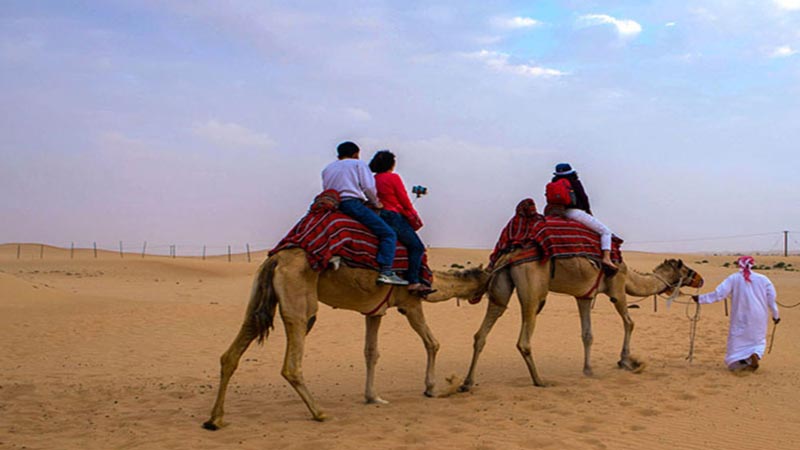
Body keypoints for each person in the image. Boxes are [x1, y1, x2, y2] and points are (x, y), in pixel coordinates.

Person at [321, 141, 408, 286]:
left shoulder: (327, 169)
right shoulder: (358, 164)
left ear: (339, 154)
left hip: (333, 204)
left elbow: (327, 187)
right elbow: (368, 186)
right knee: (388, 234)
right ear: (356, 154)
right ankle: (386, 271)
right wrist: (375, 202)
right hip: (352, 204)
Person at [692, 256, 780, 372]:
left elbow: (719, 294)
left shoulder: (734, 278)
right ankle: (754, 355)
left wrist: (701, 299)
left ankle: (741, 361)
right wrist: (776, 316)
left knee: (737, 340)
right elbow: (771, 299)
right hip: (759, 316)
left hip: (741, 315)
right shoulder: (763, 279)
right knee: (757, 340)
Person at [368, 150, 431, 295]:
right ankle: (414, 281)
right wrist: (413, 214)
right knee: (417, 247)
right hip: (392, 215)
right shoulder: (393, 177)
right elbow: (403, 199)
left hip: (377, 215)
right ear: (391, 164)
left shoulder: (373, 179)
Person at [550, 163, 617, 270]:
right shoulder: (574, 182)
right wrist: (588, 210)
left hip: (557, 213)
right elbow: (584, 198)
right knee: (605, 231)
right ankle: (606, 258)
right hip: (575, 213)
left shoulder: (553, 183)